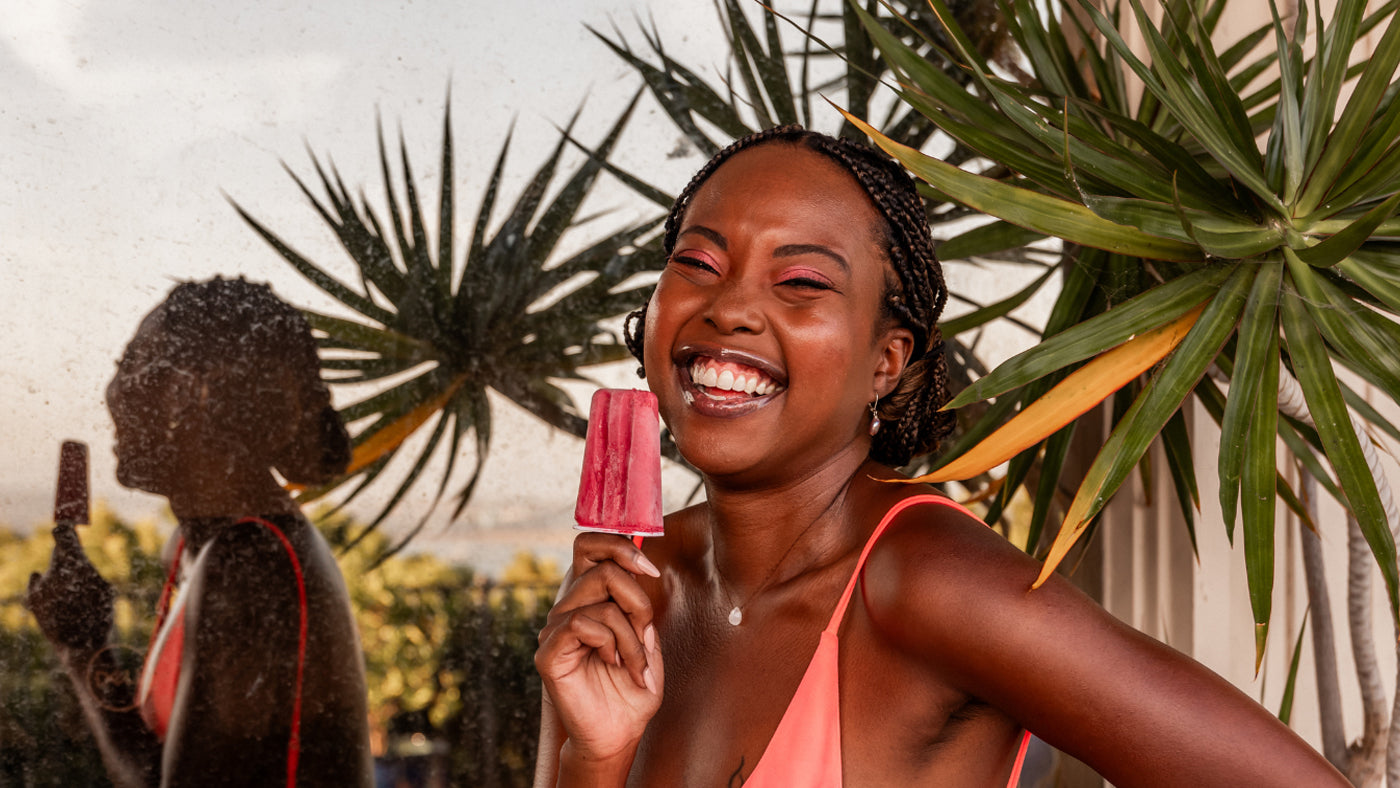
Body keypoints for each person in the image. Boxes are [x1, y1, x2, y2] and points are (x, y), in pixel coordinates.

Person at [532, 126, 1348, 786]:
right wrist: (593, 759)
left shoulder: (924, 582)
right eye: (699, 263)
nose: (733, 306)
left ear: (885, 361)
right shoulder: (620, 587)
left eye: (803, 282)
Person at [26, 278, 373, 787]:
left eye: (130, 367)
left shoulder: (250, 562)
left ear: (192, 394)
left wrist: (83, 648)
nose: (113, 393)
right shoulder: (201, 544)